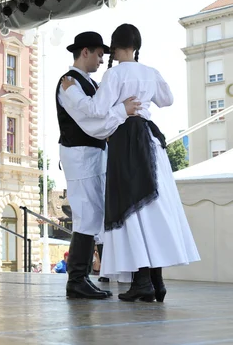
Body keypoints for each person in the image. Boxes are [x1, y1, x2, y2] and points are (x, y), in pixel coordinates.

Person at [61, 23, 200, 302]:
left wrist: (118, 105)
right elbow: (168, 100)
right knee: (154, 207)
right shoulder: (150, 72)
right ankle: (154, 281)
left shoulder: (114, 74)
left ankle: (143, 281)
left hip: (127, 141)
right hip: (150, 139)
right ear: (137, 46)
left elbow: (98, 110)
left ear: (113, 47)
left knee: (132, 209)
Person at [56, 31, 141, 299]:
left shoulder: (87, 83)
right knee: (86, 216)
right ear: (85, 52)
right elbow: (90, 115)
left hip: (92, 156)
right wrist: (120, 112)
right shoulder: (69, 82)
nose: (103, 60)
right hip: (80, 155)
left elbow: (97, 116)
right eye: (99, 54)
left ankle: (82, 278)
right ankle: (77, 279)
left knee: (93, 217)